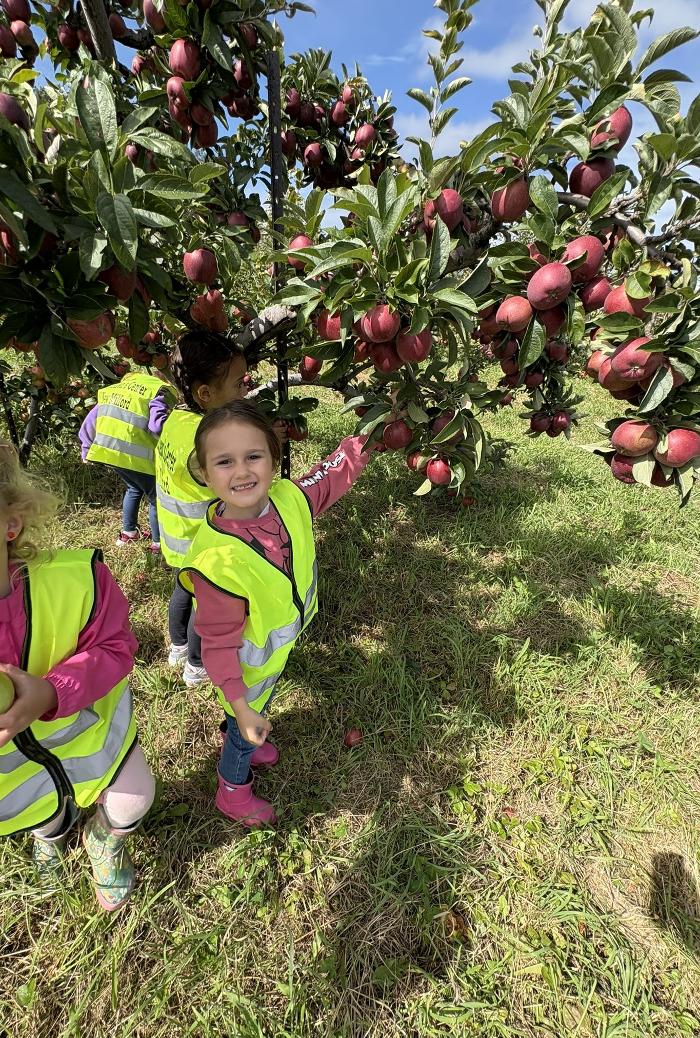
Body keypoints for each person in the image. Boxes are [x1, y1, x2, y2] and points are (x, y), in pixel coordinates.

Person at [179, 400, 378, 828]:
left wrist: (369, 436)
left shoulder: (288, 500)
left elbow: (330, 478)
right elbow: (216, 646)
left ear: (274, 457)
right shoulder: (219, 562)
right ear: (206, 474)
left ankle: (243, 725)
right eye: (224, 462)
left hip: (271, 657)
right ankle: (232, 789)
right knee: (241, 731)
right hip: (242, 675)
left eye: (254, 456)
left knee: (250, 712)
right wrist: (241, 705)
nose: (242, 471)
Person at [0, 443, 155, 911]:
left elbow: (115, 648)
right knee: (42, 815)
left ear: (11, 522)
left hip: (89, 743)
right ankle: (51, 835)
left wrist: (52, 690)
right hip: (15, 776)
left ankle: (105, 837)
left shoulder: (77, 583)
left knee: (134, 797)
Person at [155, 330, 249, 688]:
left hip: (175, 536)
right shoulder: (205, 442)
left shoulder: (177, 422)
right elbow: (233, 486)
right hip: (201, 543)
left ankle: (177, 646)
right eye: (238, 385)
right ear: (205, 394)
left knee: (182, 592)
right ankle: (195, 664)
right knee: (205, 606)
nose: (244, 391)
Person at [79, 369, 178, 553]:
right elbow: (157, 425)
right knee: (156, 497)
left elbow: (90, 421)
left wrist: (86, 448)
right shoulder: (158, 391)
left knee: (133, 488)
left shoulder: (114, 391)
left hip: (109, 452)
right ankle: (158, 544)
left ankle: (129, 533)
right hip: (137, 457)